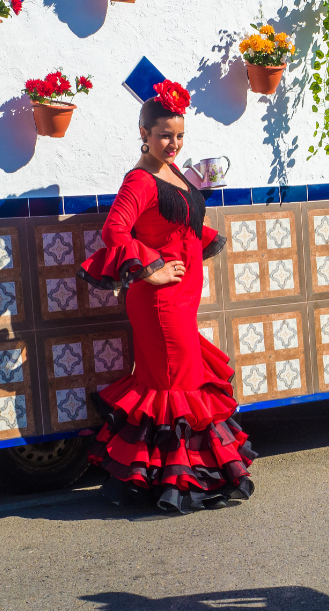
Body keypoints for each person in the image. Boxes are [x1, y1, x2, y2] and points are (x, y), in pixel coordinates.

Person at [78, 80, 256, 513]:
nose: (173, 144)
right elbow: (114, 231)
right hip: (159, 304)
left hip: (181, 302)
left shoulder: (172, 171)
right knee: (178, 388)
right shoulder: (139, 179)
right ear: (143, 132)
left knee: (172, 385)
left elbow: (172, 226)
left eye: (179, 136)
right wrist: (151, 270)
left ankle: (164, 479)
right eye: (164, 136)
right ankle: (177, 485)